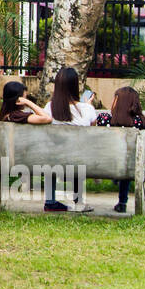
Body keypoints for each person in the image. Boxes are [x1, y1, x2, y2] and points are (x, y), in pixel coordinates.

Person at [44, 67, 97, 212]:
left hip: (53, 158)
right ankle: (78, 201)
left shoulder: (49, 107)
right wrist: (88, 105)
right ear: (75, 86)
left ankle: (50, 200)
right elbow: (93, 129)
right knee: (76, 153)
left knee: (53, 153)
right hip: (78, 159)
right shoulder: (86, 109)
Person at [96, 86, 145, 214]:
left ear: (117, 102)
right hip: (128, 167)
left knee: (119, 158)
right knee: (127, 161)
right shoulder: (140, 123)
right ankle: (122, 202)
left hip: (103, 164)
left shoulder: (104, 119)